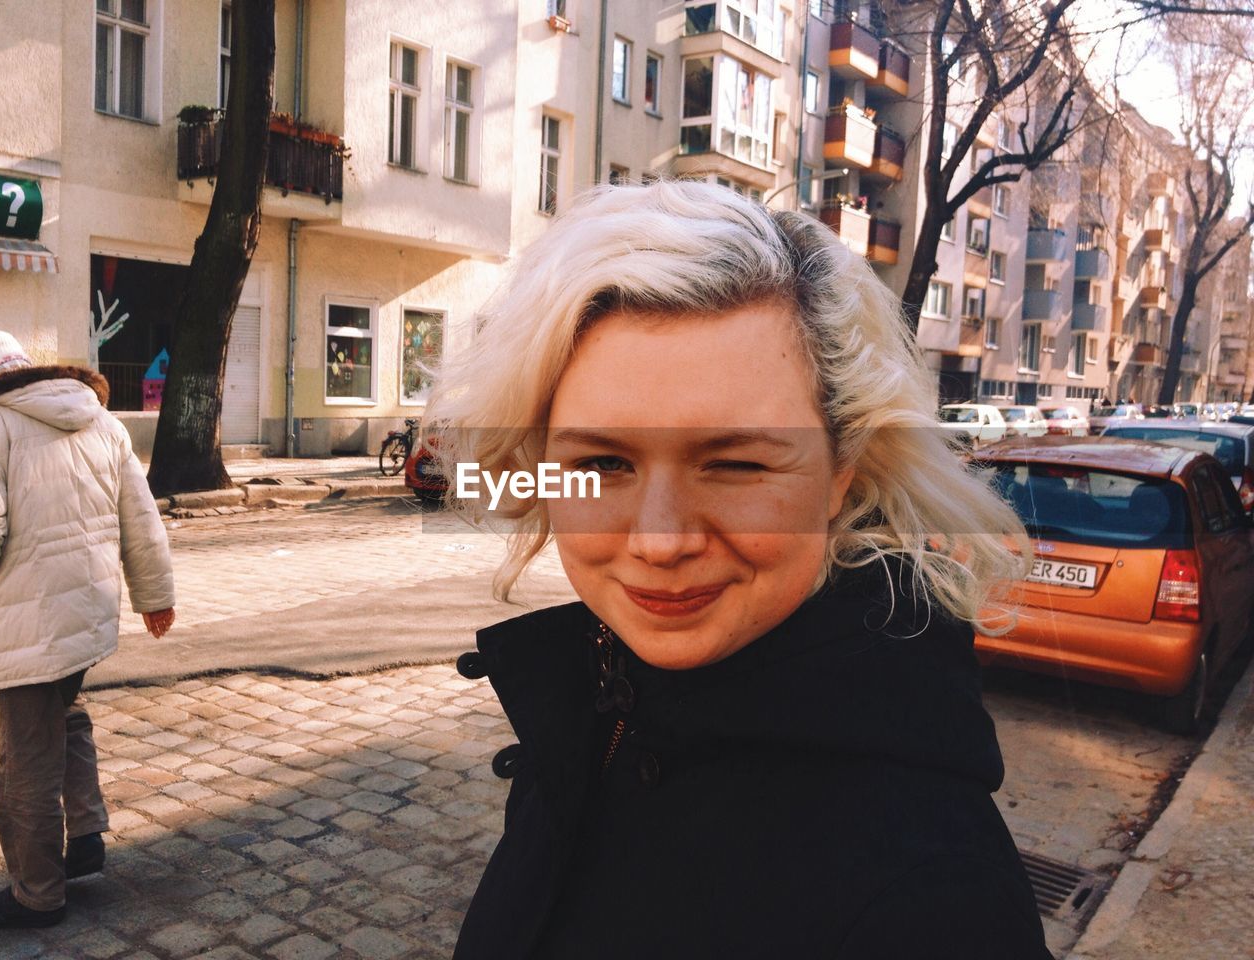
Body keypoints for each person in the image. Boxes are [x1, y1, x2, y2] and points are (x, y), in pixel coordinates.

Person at [427, 182, 1053, 958]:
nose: (660, 542)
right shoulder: (599, 707)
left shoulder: (933, 898)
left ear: (842, 473)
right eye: (603, 462)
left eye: (733, 464)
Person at [0, 329, 176, 929]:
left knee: (25, 762)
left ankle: (37, 893)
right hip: (85, 612)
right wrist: (154, 596)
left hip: (25, 622)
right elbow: (141, 518)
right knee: (67, 711)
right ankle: (85, 832)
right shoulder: (102, 422)